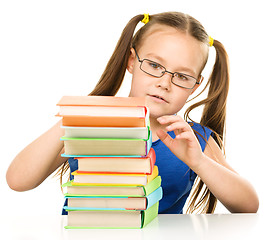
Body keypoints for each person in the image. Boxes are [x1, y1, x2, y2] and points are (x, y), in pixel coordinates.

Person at [6, 12, 259, 214]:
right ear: (131, 61)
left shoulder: (194, 140)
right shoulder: (88, 123)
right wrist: (74, 118)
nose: (164, 83)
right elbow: (18, 180)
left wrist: (199, 162)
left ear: (196, 85)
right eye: (154, 65)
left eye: (182, 76)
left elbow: (248, 205)